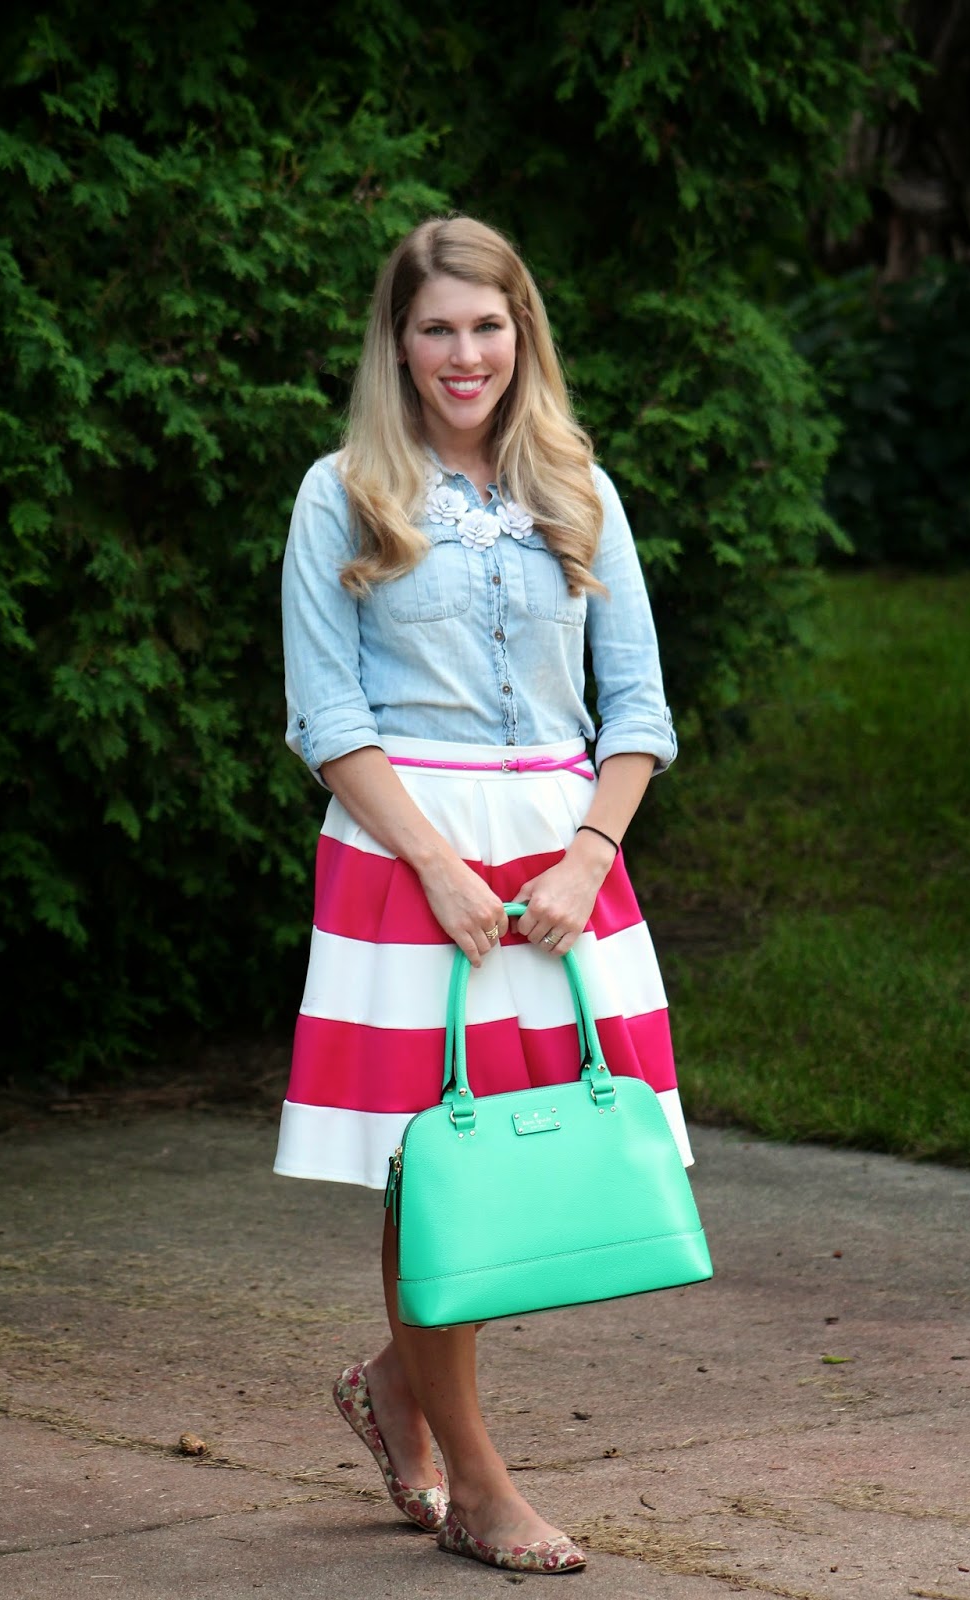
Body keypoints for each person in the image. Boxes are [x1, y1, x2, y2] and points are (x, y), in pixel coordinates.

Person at [273, 215, 690, 1575]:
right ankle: (484, 1489)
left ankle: (398, 1384)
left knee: (533, 1167)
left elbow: (635, 707)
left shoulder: (576, 487)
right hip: (410, 855)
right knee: (434, 1176)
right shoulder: (341, 491)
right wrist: (439, 867)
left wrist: (586, 853)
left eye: (487, 325)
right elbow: (326, 714)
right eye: (437, 327)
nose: (464, 354)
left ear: (524, 334)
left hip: (562, 855)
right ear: (397, 341)